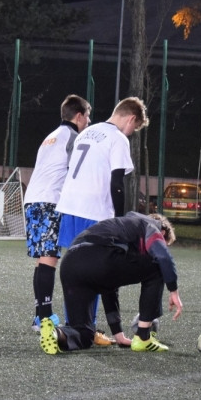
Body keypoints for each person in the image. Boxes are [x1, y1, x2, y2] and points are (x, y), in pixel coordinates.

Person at [54, 96, 149, 344]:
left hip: (69, 205)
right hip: (93, 210)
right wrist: (120, 219)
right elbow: (117, 184)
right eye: (134, 128)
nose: (131, 133)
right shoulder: (117, 138)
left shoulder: (88, 131)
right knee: (96, 269)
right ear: (131, 118)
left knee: (74, 267)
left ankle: (72, 324)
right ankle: (88, 327)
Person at [39, 211, 182, 354]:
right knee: (158, 267)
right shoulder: (152, 226)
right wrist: (173, 291)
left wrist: (118, 335)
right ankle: (143, 337)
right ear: (163, 232)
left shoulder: (121, 227)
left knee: (83, 333)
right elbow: (163, 257)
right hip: (99, 256)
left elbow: (109, 286)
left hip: (70, 264)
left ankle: (55, 334)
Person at [23, 94, 91, 331]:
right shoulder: (74, 136)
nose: (89, 121)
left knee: (42, 259)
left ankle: (39, 315)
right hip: (50, 201)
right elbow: (76, 171)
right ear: (79, 115)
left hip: (32, 199)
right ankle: (45, 319)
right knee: (49, 259)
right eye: (88, 116)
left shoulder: (49, 137)